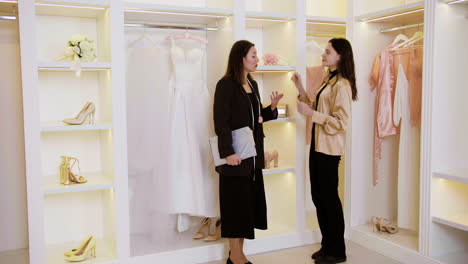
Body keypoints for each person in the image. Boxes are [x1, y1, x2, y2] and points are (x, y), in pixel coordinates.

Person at [213, 40, 284, 264]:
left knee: (245, 206)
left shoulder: (251, 83)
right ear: (241, 58)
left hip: (252, 156)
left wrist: (271, 109)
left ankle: (237, 254)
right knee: (235, 205)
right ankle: (236, 256)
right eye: (253, 55)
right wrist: (227, 153)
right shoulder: (226, 84)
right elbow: (221, 122)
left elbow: (254, 117)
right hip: (235, 157)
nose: (257, 59)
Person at [291, 38, 358, 264]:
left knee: (329, 199)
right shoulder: (328, 79)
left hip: (329, 150)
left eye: (327, 52)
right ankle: (327, 245)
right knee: (319, 197)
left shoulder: (343, 85)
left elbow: (342, 122)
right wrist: (300, 89)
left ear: (340, 56)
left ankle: (337, 251)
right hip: (317, 146)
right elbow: (315, 106)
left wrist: (312, 115)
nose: (323, 55)